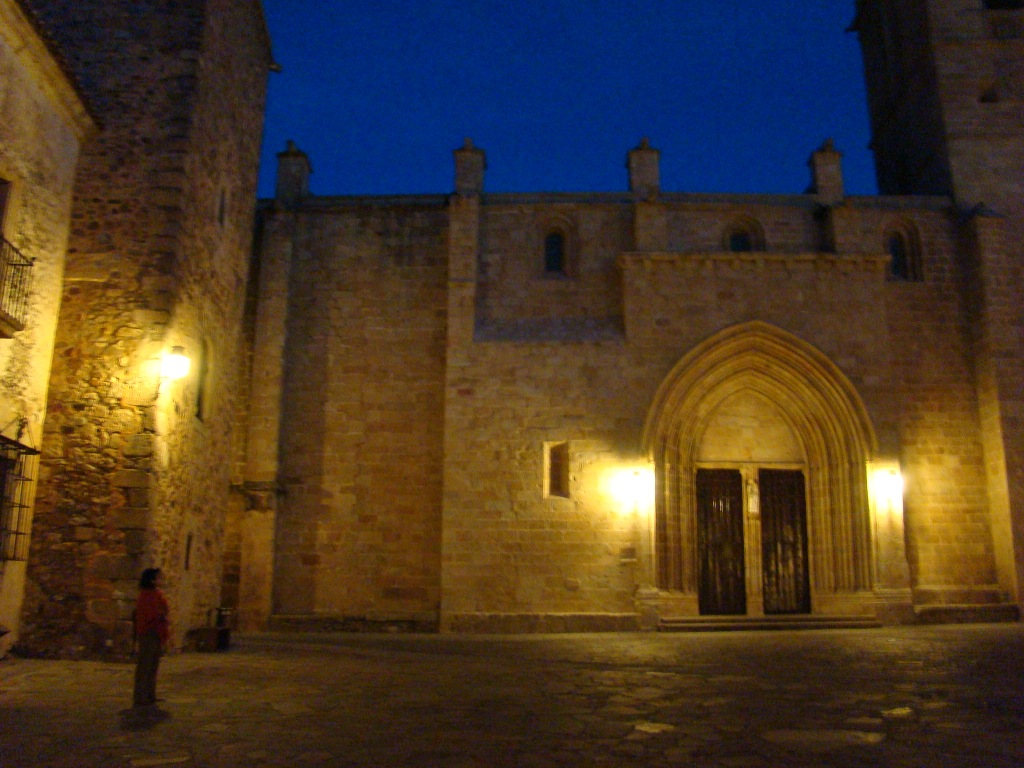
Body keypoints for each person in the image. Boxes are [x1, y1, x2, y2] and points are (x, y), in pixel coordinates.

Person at [133, 567, 170, 708]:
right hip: (149, 632)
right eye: (159, 577)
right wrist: (160, 614)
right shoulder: (146, 595)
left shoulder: (156, 594)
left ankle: (150, 694)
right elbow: (150, 614)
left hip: (157, 632)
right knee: (145, 666)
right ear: (152, 580)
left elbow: (164, 608)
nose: (161, 580)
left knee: (153, 665)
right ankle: (140, 696)